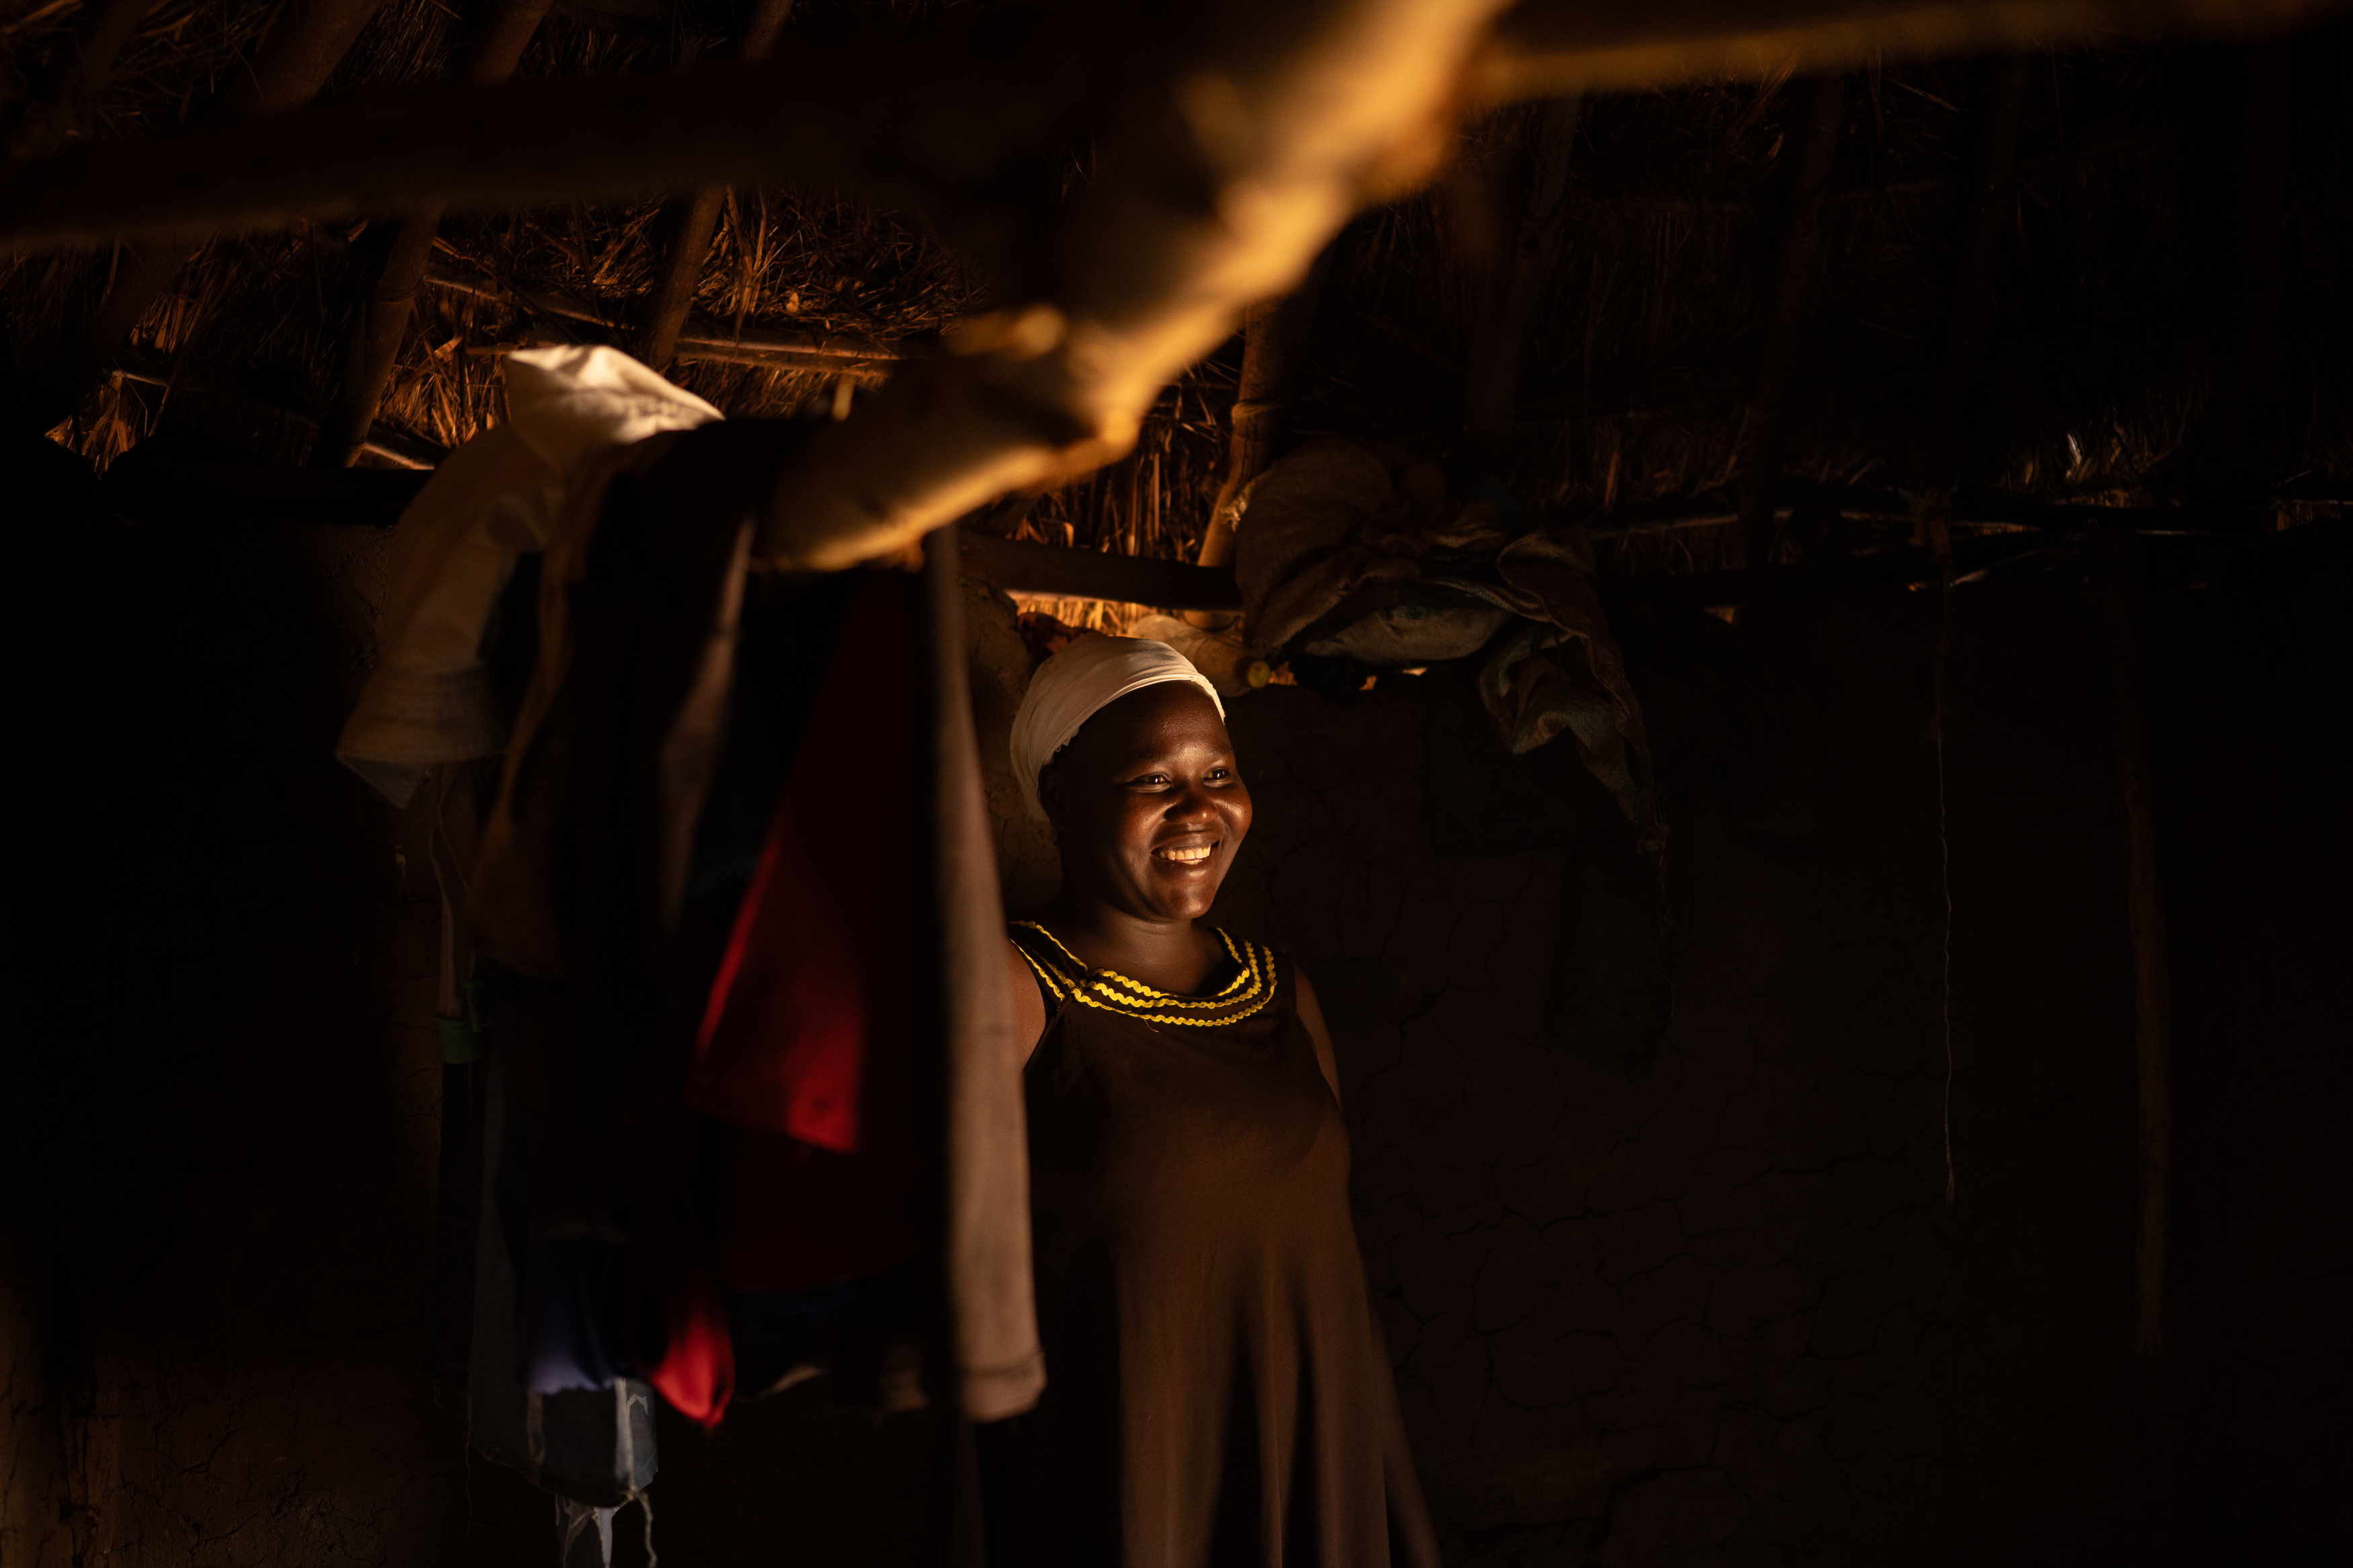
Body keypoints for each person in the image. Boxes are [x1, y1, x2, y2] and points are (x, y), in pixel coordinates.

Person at [997, 633, 1439, 1567]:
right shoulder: (1020, 990)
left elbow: (1329, 1270)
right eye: (1154, 780)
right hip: (1132, 1470)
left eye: (1219, 771)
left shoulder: (1280, 990)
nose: (1201, 808)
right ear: (1060, 802)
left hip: (1306, 1453)